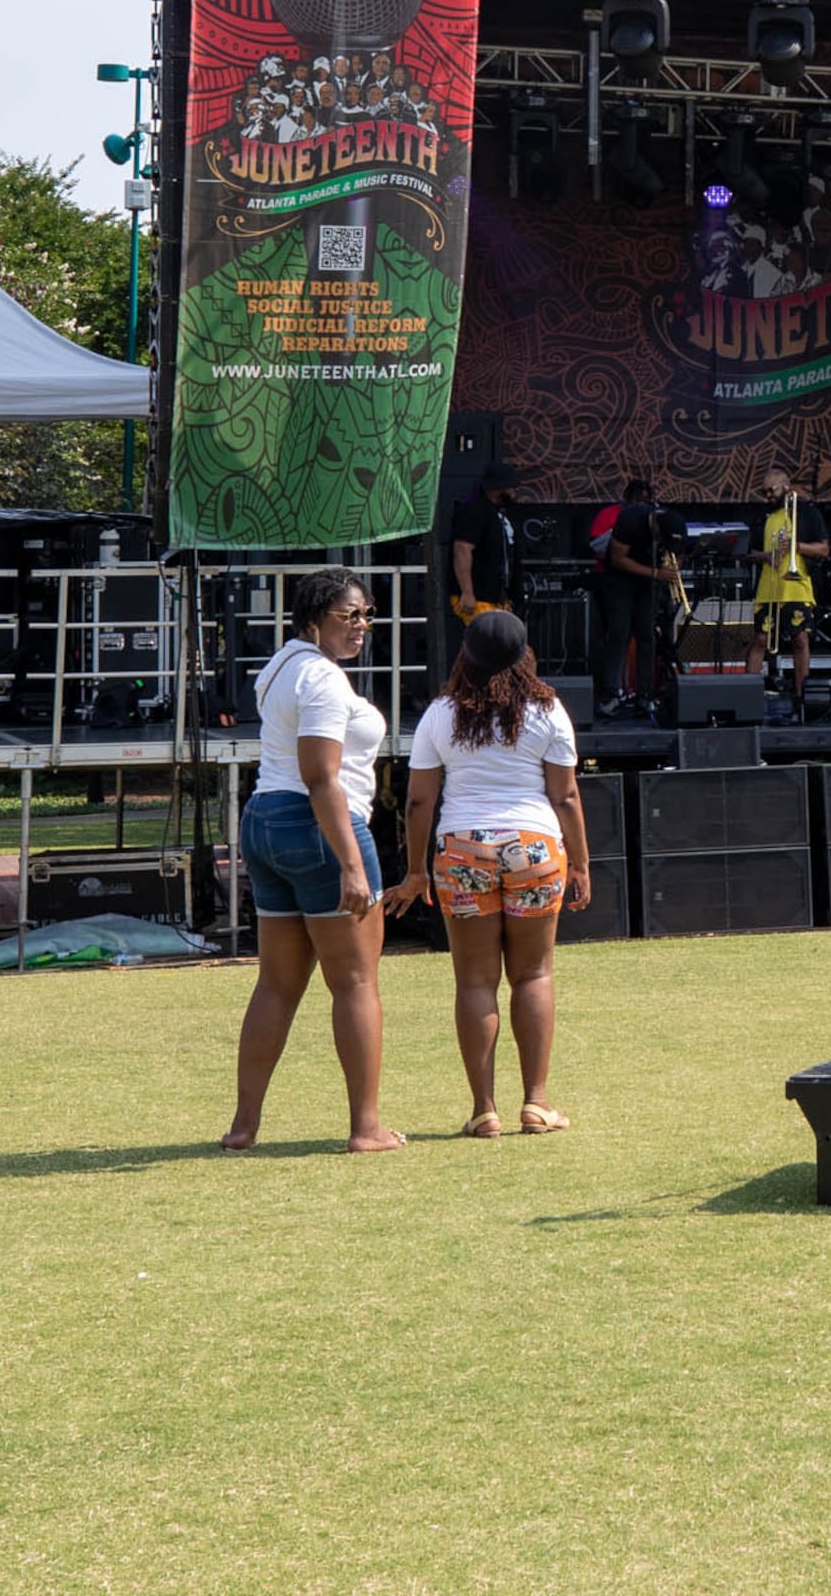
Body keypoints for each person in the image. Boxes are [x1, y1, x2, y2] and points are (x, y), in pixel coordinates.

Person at [222, 569, 402, 1155]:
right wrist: (352, 865)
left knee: (276, 984)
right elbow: (320, 776)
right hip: (319, 826)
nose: (362, 627)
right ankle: (366, 1127)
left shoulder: (280, 665)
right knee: (355, 981)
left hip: (265, 821)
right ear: (312, 619)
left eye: (366, 615)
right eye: (349, 615)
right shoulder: (322, 679)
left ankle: (244, 1125)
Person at [391, 608, 589, 1137]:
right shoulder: (548, 711)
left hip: (462, 850)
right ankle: (536, 1103)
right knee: (534, 974)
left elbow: (418, 801)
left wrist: (416, 872)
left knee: (475, 981)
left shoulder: (440, 714)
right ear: (526, 656)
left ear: (466, 655)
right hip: (535, 846)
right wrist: (583, 863)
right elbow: (565, 794)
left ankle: (484, 1110)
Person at [588, 476, 680, 723]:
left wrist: (671, 568)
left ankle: (645, 695)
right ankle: (611, 695)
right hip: (619, 581)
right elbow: (617, 559)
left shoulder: (669, 522)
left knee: (647, 636)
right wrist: (657, 573)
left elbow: (677, 553)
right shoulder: (627, 519)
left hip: (647, 583)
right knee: (619, 634)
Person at [747, 461, 831, 716]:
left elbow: (824, 549)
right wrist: (766, 556)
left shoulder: (806, 513)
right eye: (765, 492)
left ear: (785, 487)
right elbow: (748, 552)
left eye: (771, 490)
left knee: (800, 639)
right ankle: (747, 699)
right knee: (760, 640)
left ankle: (800, 700)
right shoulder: (763, 516)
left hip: (797, 587)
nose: (768, 496)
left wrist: (796, 547)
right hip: (768, 587)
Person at [445, 462, 518, 627]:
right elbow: (462, 549)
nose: (514, 492)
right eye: (511, 487)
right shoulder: (474, 511)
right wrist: (467, 592)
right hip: (478, 597)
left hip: (496, 598)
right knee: (488, 644)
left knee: (495, 645)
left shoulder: (497, 513)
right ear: (499, 488)